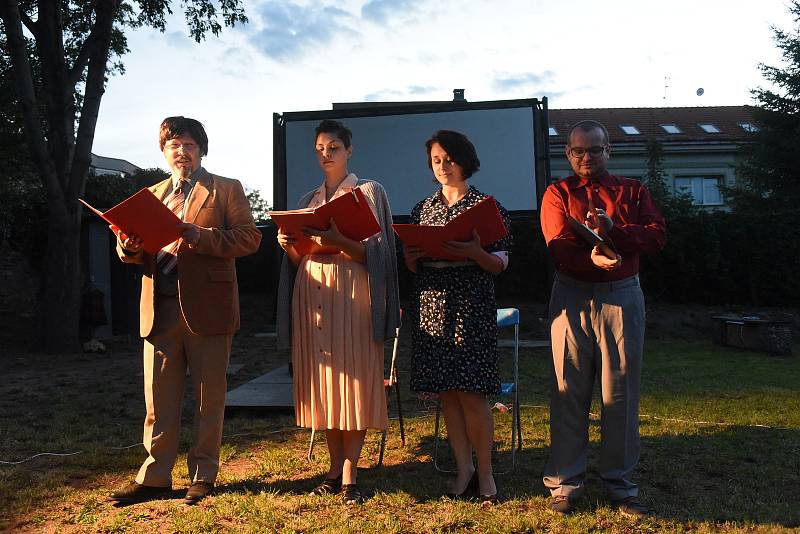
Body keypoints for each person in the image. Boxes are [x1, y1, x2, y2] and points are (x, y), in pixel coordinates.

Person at [109, 116, 262, 505]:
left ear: (202, 149)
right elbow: (132, 252)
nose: (182, 151)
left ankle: (203, 474)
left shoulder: (226, 189)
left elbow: (250, 238)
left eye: (190, 144)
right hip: (159, 307)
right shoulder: (152, 194)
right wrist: (128, 245)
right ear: (164, 151)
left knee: (208, 398)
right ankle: (155, 477)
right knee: (158, 400)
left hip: (208, 308)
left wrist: (203, 237)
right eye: (174, 145)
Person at [540, 120, 666, 517]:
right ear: (568, 153)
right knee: (568, 391)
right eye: (578, 150)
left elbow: (656, 235)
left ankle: (620, 484)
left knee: (621, 393)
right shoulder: (557, 192)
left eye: (594, 149)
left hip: (622, 294)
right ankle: (564, 483)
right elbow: (557, 243)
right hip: (571, 292)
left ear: (608, 150)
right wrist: (590, 257)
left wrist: (616, 233)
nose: (586, 157)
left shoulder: (632, 190)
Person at [276, 119, 400, 505]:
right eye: (320, 149)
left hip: (353, 291)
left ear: (349, 150)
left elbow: (377, 254)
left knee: (356, 381)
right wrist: (288, 245)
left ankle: (350, 473)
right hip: (313, 290)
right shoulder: (306, 200)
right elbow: (300, 259)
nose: (325, 154)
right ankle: (332, 468)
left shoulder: (368, 191)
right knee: (326, 383)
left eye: (333, 147)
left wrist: (339, 240)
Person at [403, 130, 513, 505]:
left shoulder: (486, 207)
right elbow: (413, 264)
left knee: (472, 395)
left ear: (465, 160)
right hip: (432, 305)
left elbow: (499, 264)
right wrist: (412, 258)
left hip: (471, 306)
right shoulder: (422, 209)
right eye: (436, 160)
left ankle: (486, 475)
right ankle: (462, 469)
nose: (442, 166)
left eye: (448, 158)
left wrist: (474, 251)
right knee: (447, 394)